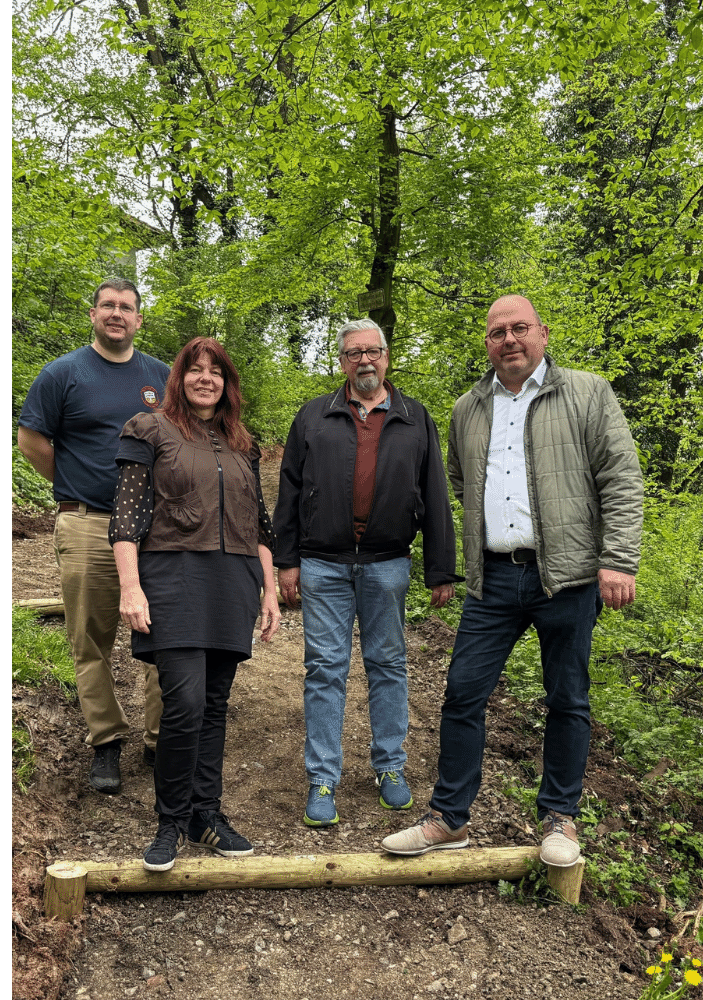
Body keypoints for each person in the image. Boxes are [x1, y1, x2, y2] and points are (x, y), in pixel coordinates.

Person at [381, 294, 644, 869]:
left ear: (542, 334)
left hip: (568, 577)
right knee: (462, 693)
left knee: (567, 698)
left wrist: (619, 559)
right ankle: (449, 819)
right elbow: (459, 478)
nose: (509, 339)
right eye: (498, 332)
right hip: (493, 578)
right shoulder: (469, 408)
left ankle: (560, 818)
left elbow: (621, 477)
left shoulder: (587, 392)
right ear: (487, 344)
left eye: (519, 328)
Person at [272, 319, 458, 828]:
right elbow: (289, 491)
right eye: (354, 353)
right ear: (342, 362)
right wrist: (286, 561)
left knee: (388, 665)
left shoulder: (414, 417)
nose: (365, 361)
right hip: (322, 563)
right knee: (324, 669)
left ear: (387, 356)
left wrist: (440, 567)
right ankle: (322, 778)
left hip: (387, 563)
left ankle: (390, 767)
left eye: (373, 351)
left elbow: (435, 492)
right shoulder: (314, 416)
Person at [110, 336, 282, 871]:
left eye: (216, 371)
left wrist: (270, 590)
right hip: (173, 579)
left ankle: (205, 813)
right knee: (183, 703)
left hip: (233, 582)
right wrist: (130, 586)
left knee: (213, 704)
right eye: (195, 369)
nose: (206, 378)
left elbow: (260, 525)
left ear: (228, 383)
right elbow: (126, 518)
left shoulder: (243, 444)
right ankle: (170, 821)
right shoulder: (149, 429)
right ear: (179, 378)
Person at [16, 277, 170, 794]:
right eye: (108, 305)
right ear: (93, 314)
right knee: (90, 639)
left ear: (139, 319)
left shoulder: (161, 377)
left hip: (155, 527)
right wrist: (73, 480)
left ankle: (160, 740)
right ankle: (105, 739)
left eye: (126, 307)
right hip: (88, 523)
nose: (116, 314)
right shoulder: (63, 374)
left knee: (164, 635)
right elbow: (31, 439)